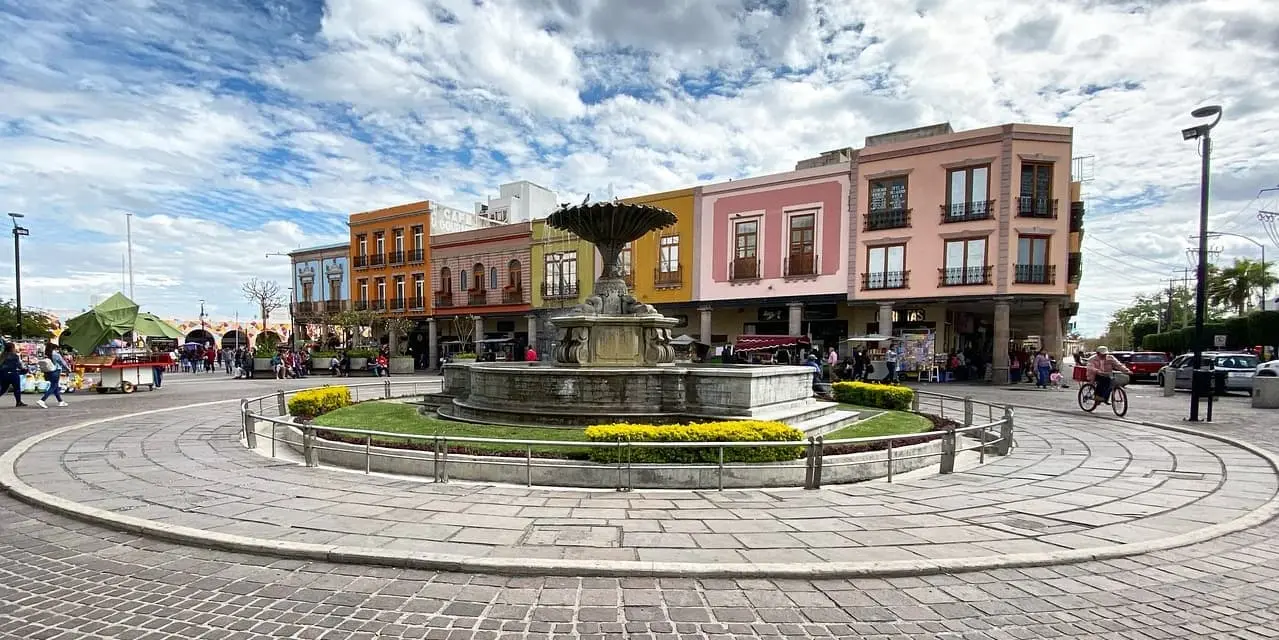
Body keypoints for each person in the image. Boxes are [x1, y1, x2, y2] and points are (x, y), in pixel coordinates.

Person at [36, 343, 71, 408]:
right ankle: (42, 400)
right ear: (54, 348)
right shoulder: (56, 354)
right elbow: (62, 362)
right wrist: (68, 369)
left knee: (55, 387)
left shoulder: (46, 354)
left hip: (48, 372)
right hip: (55, 371)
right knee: (53, 386)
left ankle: (60, 401)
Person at [0, 342, 26, 407]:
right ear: (12, 348)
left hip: (3, 374)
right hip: (13, 374)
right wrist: (24, 369)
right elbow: (18, 365)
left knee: (3, 389)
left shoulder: (2, 355)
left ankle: (19, 402)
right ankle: (18, 402)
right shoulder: (15, 356)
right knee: (17, 388)